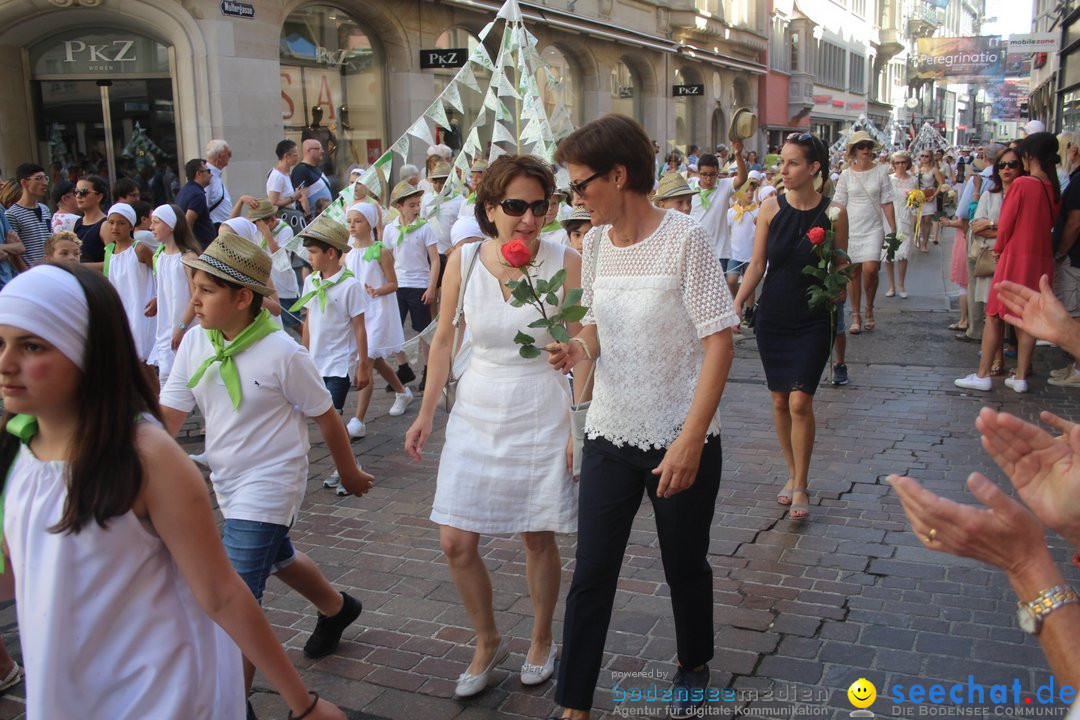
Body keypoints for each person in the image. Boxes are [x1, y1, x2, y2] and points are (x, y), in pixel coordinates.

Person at [0, 263, 346, 720]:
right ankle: (337, 606)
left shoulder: (145, 456)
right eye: (1, 342)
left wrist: (302, 704)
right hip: (70, 679)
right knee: (278, 555)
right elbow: (23, 569)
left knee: (249, 567)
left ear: (88, 351)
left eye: (32, 346)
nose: (6, 363)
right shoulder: (21, 445)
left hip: (152, 690)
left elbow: (222, 592)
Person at [546, 114, 737, 720]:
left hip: (679, 436)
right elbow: (598, 325)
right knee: (592, 571)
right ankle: (574, 703)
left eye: (581, 185)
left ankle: (693, 661)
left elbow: (720, 341)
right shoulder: (596, 243)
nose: (574, 199)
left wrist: (690, 440)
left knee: (683, 563)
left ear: (619, 175)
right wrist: (580, 348)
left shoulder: (686, 238)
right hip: (609, 428)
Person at [158, 233, 374, 702]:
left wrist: (350, 472)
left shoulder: (283, 353)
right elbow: (167, 419)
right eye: (193, 287)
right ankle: (336, 609)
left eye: (206, 291)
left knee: (236, 593)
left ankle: (235, 705)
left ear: (243, 298)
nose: (193, 300)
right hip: (227, 479)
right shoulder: (197, 342)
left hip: (272, 481)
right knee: (278, 557)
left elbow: (326, 416)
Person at [405, 154, 582, 699]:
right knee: (456, 539)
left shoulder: (567, 260)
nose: (528, 219)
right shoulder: (463, 260)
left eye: (539, 206)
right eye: (515, 206)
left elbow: (585, 349)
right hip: (479, 404)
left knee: (536, 533)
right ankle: (487, 640)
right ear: (489, 208)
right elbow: (443, 341)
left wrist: (577, 420)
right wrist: (427, 409)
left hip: (542, 405)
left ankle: (540, 638)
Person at [734, 132, 849, 521]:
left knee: (801, 399)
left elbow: (841, 263)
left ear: (813, 168)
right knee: (780, 399)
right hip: (774, 316)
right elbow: (756, 265)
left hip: (813, 317)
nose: (783, 169)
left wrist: (840, 288)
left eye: (792, 163)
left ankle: (801, 484)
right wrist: (736, 304)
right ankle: (790, 471)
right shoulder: (769, 207)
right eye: (781, 162)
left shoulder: (834, 212)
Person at [955, 132, 1061, 394]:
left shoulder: (1024, 184)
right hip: (1041, 258)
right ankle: (1021, 376)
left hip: (1016, 256)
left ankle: (982, 374)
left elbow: (1007, 224)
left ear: (1029, 156)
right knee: (1028, 317)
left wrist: (1000, 248)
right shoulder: (1052, 186)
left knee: (994, 315)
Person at [343, 202, 412, 439]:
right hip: (359, 314)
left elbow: (394, 283)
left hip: (378, 312)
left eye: (358, 220)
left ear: (370, 223)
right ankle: (402, 391)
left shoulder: (381, 251)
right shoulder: (349, 254)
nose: (352, 225)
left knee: (367, 362)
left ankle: (359, 420)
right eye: (349, 220)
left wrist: (378, 291)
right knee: (377, 359)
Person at [832, 131, 896, 333]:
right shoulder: (846, 175)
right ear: (853, 151)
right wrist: (833, 226)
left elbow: (887, 201)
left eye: (868, 145)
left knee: (870, 268)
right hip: (851, 227)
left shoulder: (881, 171)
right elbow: (839, 202)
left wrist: (893, 230)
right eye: (861, 146)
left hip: (873, 227)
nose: (866, 150)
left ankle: (869, 307)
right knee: (853, 272)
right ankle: (856, 315)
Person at [964, 147, 1018, 378]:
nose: (1006, 169)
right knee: (992, 314)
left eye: (1012, 164)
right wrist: (1003, 227)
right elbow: (977, 227)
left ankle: (1021, 361)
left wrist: (993, 225)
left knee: (1016, 314)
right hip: (991, 260)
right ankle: (996, 359)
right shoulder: (990, 194)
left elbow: (1023, 230)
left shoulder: (1022, 194)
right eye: (1002, 165)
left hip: (1015, 259)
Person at [386, 180, 438, 392]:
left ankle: (428, 369)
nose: (416, 209)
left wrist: (431, 287)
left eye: (418, 204)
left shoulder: (425, 227)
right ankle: (403, 367)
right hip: (398, 285)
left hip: (419, 285)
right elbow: (387, 258)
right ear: (399, 206)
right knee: (394, 328)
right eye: (412, 205)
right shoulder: (390, 229)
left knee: (423, 330)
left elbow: (434, 259)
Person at [101, 203, 157, 381]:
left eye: (121, 223)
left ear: (131, 225)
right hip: (121, 309)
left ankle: (158, 401)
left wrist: (158, 297)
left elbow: (159, 272)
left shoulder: (139, 249)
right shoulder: (109, 251)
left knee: (143, 361)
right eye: (111, 223)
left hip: (141, 309)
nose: (115, 227)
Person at [149, 204, 200, 384]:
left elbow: (197, 296)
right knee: (166, 377)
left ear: (171, 225)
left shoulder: (188, 258)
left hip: (185, 328)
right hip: (165, 328)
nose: (151, 227)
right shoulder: (160, 256)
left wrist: (181, 327)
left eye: (156, 222)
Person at [249, 199, 302, 329]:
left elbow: (279, 256)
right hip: (268, 285)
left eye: (260, 223)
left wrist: (267, 233)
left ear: (272, 219)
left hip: (284, 287)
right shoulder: (257, 231)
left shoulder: (285, 230)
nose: (257, 226)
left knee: (295, 324)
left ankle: (307, 344)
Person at [691, 147, 747, 266]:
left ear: (718, 173)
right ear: (698, 173)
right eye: (704, 174)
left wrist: (738, 154)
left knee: (718, 285)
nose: (708, 178)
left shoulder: (724, 185)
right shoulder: (690, 190)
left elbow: (742, 179)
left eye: (712, 174)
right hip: (695, 250)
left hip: (719, 252)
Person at [5, 164, 53, 266]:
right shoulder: (12, 214)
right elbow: (14, 253)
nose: (44, 183)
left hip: (49, 269)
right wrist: (25, 272)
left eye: (45, 178)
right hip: (31, 273)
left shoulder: (45, 209)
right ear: (24, 182)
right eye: (39, 178)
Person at [885, 151, 916, 299]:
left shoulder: (913, 180)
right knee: (889, 253)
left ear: (908, 163)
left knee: (903, 253)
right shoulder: (889, 179)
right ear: (893, 164)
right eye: (897, 163)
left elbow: (917, 201)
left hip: (905, 217)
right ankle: (891, 286)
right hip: (890, 217)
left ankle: (901, 284)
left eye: (903, 162)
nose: (900, 165)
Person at [726, 186, 758, 309]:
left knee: (750, 283)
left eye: (752, 190)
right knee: (731, 280)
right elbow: (727, 230)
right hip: (735, 253)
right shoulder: (731, 212)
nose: (750, 193)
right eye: (746, 190)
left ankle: (749, 311)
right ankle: (737, 303)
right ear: (739, 193)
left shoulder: (757, 211)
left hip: (751, 254)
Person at [176, 158, 215, 247]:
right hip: (200, 248)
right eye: (208, 171)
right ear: (198, 173)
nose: (211, 174)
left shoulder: (185, 191)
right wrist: (191, 248)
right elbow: (188, 222)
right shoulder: (197, 194)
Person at [913, 149, 945, 252]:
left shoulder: (934, 169)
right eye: (922, 156)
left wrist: (934, 195)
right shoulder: (916, 168)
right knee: (917, 220)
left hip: (929, 195)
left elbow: (941, 183)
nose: (924, 158)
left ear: (930, 157)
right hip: (918, 195)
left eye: (926, 156)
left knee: (927, 220)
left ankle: (924, 244)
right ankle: (917, 237)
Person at [291, 139, 333, 219]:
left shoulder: (316, 168)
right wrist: (309, 218)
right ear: (309, 150)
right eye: (319, 148)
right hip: (315, 220)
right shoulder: (301, 170)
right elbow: (302, 197)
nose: (322, 151)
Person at [73, 174, 109, 263]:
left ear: (99, 196)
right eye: (76, 192)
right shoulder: (78, 222)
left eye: (83, 192)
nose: (78, 196)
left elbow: (113, 263)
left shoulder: (106, 225)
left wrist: (80, 267)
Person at [204, 139, 236, 230]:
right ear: (220, 157)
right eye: (228, 153)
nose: (230, 156)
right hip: (216, 229)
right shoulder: (207, 176)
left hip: (223, 228)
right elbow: (203, 207)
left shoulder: (216, 175)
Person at [267, 139, 301, 209]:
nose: (298, 157)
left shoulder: (286, 174)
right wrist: (293, 198)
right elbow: (273, 202)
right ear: (286, 156)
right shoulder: (277, 176)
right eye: (295, 155)